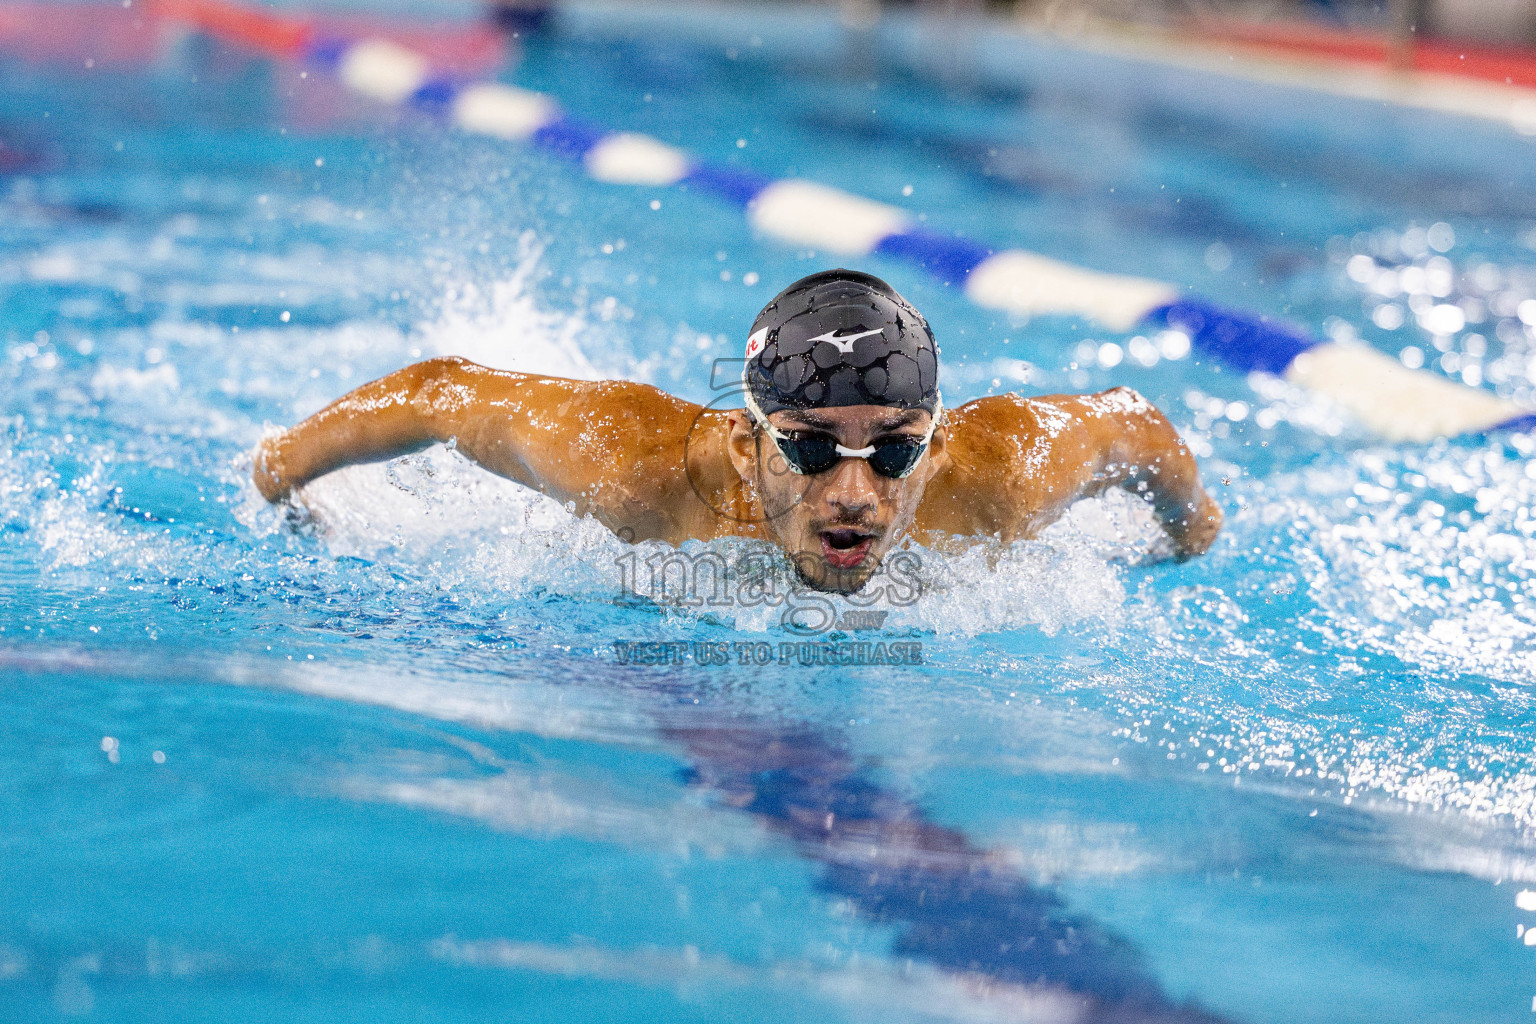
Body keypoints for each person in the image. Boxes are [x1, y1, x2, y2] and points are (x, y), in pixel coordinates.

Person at [254, 269, 1222, 593]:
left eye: (893, 451)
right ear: (745, 441)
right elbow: (442, 391)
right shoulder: (647, 476)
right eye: (808, 447)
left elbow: (1131, 425)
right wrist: (276, 471)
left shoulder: (994, 478)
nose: (856, 493)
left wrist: (1191, 537)